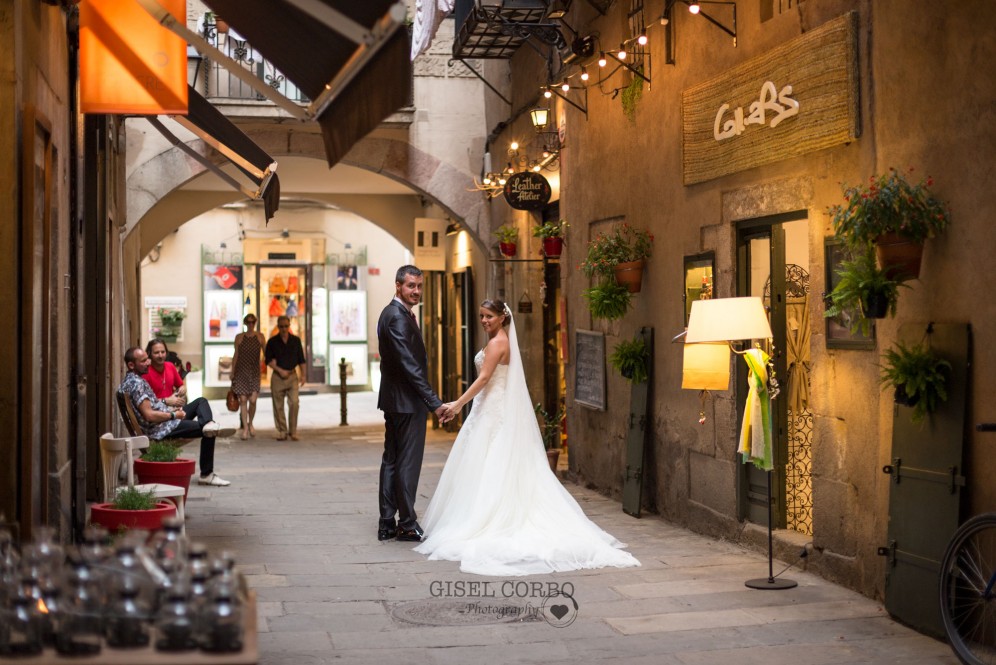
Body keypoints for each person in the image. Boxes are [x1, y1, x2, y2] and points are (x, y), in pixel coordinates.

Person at [414, 299, 640, 576]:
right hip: (489, 408)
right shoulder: (497, 340)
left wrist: (458, 404)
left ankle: (487, 518)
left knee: (489, 463)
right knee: (485, 465)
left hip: (492, 409)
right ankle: (478, 513)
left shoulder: (498, 343)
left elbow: (484, 378)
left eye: (489, 316)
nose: (484, 320)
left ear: (502, 317)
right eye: (481, 316)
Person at [376, 265, 451, 542]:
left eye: (419, 286)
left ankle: (387, 522)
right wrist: (433, 402)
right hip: (406, 402)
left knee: (393, 460)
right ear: (398, 286)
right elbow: (409, 365)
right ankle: (406, 523)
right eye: (411, 286)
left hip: (396, 401)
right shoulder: (396, 316)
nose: (416, 291)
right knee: (406, 463)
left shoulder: (394, 313)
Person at [118, 347, 235, 487]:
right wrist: (174, 414)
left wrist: (167, 403)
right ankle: (207, 474)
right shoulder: (136, 384)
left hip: (165, 422)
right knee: (208, 431)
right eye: (143, 361)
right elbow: (149, 415)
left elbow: (151, 405)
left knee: (201, 402)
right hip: (162, 428)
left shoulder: (130, 381)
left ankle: (209, 424)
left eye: (147, 359)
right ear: (131, 365)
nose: (148, 362)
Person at [265, 315, 306, 441]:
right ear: (278, 327)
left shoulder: (295, 341)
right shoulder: (272, 342)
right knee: (278, 405)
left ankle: (292, 431)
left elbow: (301, 360)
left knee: (294, 403)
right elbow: (268, 361)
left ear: (289, 326)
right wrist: (280, 370)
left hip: (292, 375)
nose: (284, 329)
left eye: (286, 326)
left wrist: (303, 375)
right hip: (278, 376)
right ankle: (282, 430)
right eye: (281, 326)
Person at [231, 314, 266, 440]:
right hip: (241, 372)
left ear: (255, 323)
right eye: (248, 322)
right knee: (243, 401)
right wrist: (232, 371)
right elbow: (236, 355)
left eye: (252, 322)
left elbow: (266, 353)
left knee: (253, 400)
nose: (250, 324)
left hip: (254, 372)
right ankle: (245, 427)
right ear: (245, 323)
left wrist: (264, 367)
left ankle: (251, 423)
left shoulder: (260, 337)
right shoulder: (239, 337)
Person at [144, 338, 187, 408]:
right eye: (156, 353)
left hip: (173, 409)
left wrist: (183, 389)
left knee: (201, 401)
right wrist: (166, 401)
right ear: (150, 354)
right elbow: (146, 403)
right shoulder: (145, 372)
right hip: (158, 413)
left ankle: (209, 420)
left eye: (163, 352)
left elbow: (181, 385)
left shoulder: (170, 366)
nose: (160, 355)